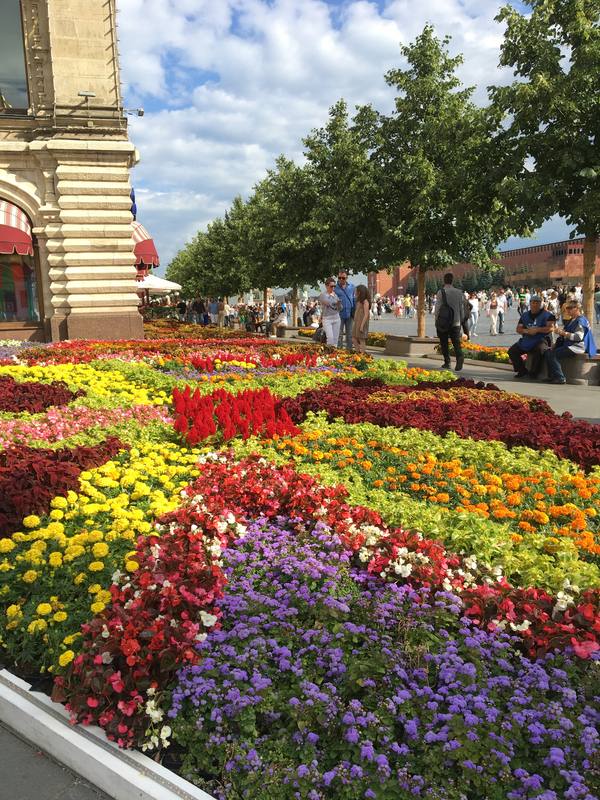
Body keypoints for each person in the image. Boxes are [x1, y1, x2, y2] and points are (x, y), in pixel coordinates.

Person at [544, 300, 597, 384]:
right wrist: (557, 340)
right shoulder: (573, 319)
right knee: (548, 352)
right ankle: (552, 376)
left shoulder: (580, 321)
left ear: (577, 308)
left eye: (569, 308)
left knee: (552, 355)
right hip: (571, 345)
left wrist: (563, 333)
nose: (567, 310)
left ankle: (560, 378)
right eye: (566, 308)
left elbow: (578, 337)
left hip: (577, 347)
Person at [507, 295, 555, 379]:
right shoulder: (525, 315)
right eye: (533, 302)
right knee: (512, 351)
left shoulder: (548, 315)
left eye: (537, 302)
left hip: (541, 339)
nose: (535, 304)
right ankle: (522, 370)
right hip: (527, 338)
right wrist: (526, 331)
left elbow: (551, 328)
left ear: (540, 304)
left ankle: (534, 373)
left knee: (539, 350)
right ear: (530, 303)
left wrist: (537, 330)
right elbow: (518, 329)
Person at [434, 273, 467, 371]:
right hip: (456, 321)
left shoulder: (441, 292)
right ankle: (459, 357)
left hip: (443, 321)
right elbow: (462, 308)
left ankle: (447, 362)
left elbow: (437, 308)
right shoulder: (459, 292)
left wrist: (437, 321)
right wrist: (460, 321)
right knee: (456, 342)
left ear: (444, 280)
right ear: (452, 280)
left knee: (444, 342)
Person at [334, 270, 355, 350]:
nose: (341, 279)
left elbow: (354, 299)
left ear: (347, 278)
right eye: (339, 278)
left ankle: (349, 351)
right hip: (339, 314)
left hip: (350, 314)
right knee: (339, 334)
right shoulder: (335, 288)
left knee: (349, 334)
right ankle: (339, 351)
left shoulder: (352, 287)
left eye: (343, 278)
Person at [320, 278, 342, 346]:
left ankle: (334, 354)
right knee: (330, 338)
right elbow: (328, 303)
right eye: (331, 286)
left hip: (336, 318)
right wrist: (336, 302)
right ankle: (329, 354)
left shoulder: (335, 295)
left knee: (335, 339)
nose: (333, 288)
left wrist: (338, 304)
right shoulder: (323, 295)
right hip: (327, 319)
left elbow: (340, 308)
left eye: (334, 286)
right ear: (326, 286)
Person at [352, 285, 371, 353]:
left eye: (356, 291)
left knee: (361, 339)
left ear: (360, 292)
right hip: (357, 321)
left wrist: (362, 325)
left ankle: (362, 354)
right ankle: (358, 352)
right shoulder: (359, 301)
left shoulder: (365, 301)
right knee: (354, 338)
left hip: (362, 322)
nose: (355, 292)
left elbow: (366, 314)